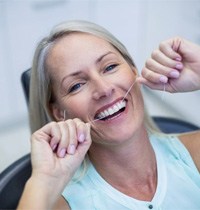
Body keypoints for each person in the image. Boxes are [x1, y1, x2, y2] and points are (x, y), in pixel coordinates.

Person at [17, 20, 200, 210]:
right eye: (77, 85)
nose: (104, 89)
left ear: (133, 70)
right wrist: (45, 181)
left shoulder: (193, 155)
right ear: (58, 113)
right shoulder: (63, 205)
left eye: (110, 67)